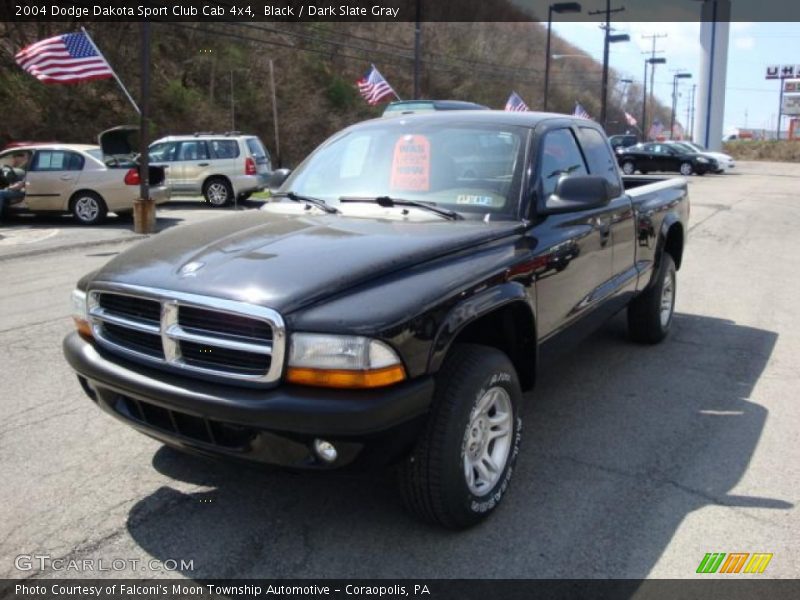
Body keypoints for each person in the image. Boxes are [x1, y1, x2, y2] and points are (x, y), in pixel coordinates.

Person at [0, 152, 29, 221]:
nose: (14, 159)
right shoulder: (22, 167)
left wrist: (9, 188)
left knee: (0, 193)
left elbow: (20, 185)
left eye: (18, 156)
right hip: (18, 188)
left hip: (22, 191)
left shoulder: (29, 169)